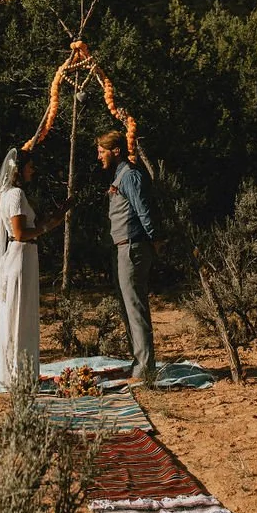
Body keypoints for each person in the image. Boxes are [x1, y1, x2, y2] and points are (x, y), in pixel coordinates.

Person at [0, 147, 66, 388]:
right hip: (21, 255)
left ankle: (18, 371)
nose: (33, 170)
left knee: (20, 313)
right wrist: (45, 229)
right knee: (19, 315)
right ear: (19, 169)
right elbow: (19, 233)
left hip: (26, 255)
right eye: (30, 166)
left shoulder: (13, 194)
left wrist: (56, 216)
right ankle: (18, 373)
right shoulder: (15, 194)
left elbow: (33, 226)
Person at [96, 128, 158, 384]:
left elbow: (143, 210)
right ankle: (137, 362)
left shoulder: (130, 176)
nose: (99, 156)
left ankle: (145, 368)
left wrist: (155, 239)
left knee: (135, 307)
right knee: (126, 307)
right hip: (122, 247)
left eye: (102, 151)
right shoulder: (119, 175)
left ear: (116, 151)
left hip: (133, 247)